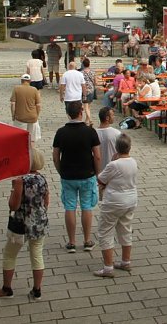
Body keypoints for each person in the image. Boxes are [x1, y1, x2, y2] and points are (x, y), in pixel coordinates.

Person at [0, 149, 49, 300]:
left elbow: (13, 205)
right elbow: (46, 201)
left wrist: (12, 189)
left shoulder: (20, 181)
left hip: (20, 224)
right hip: (39, 223)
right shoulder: (42, 178)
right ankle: (37, 290)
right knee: (37, 254)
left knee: (9, 254)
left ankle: (7, 288)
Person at [52, 101, 101, 253]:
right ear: (81, 112)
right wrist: (98, 174)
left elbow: (55, 156)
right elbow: (97, 156)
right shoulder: (90, 132)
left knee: (70, 207)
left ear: (67, 113)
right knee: (87, 206)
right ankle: (87, 240)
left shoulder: (61, 132)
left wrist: (61, 171)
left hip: (68, 175)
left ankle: (71, 242)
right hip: (87, 174)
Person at [93, 134, 138, 277]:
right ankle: (126, 261)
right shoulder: (133, 162)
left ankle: (107, 267)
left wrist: (111, 162)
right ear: (129, 147)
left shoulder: (114, 164)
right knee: (125, 228)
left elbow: (101, 179)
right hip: (130, 199)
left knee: (105, 231)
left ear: (116, 149)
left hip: (114, 201)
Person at [10, 73, 42, 144]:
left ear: (21, 80)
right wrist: (37, 115)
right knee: (32, 139)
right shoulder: (34, 90)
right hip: (32, 117)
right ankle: (32, 152)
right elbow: (38, 105)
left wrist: (13, 115)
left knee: (19, 139)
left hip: (20, 117)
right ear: (30, 81)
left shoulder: (16, 88)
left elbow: (13, 103)